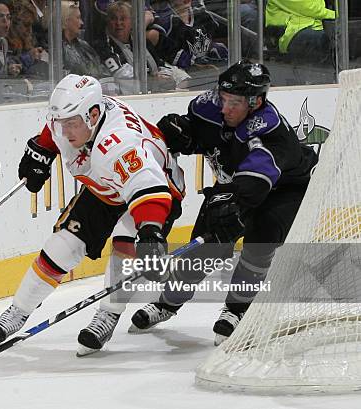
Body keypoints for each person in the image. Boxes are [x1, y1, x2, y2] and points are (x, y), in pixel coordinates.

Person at [0, 73, 185, 356]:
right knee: (62, 245)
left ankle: (108, 315)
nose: (65, 132)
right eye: (61, 124)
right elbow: (54, 132)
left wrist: (150, 231)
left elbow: (149, 189)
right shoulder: (74, 116)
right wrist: (41, 150)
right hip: (105, 186)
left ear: (93, 115)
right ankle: (18, 311)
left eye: (71, 124)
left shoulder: (120, 144)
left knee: (126, 243)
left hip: (154, 192)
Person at [130, 60, 318, 345]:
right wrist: (184, 132)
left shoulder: (270, 133)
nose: (225, 108)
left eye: (235, 103)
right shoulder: (213, 106)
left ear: (255, 102)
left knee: (259, 240)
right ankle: (167, 303)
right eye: (224, 98)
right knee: (204, 251)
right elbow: (203, 136)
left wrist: (233, 206)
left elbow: (254, 182)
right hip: (234, 184)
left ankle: (237, 309)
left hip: (283, 190)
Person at [94, 1, 190, 92]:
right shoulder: (103, 45)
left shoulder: (141, 41)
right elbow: (121, 75)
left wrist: (175, 77)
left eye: (123, 18)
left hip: (150, 89)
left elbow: (160, 65)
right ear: (108, 22)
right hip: (128, 97)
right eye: (113, 18)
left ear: (132, 22)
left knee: (182, 77)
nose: (118, 23)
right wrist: (153, 80)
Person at [265, 0, 335, 66]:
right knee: (328, 42)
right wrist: (340, 14)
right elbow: (309, 8)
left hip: (314, 26)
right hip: (290, 33)